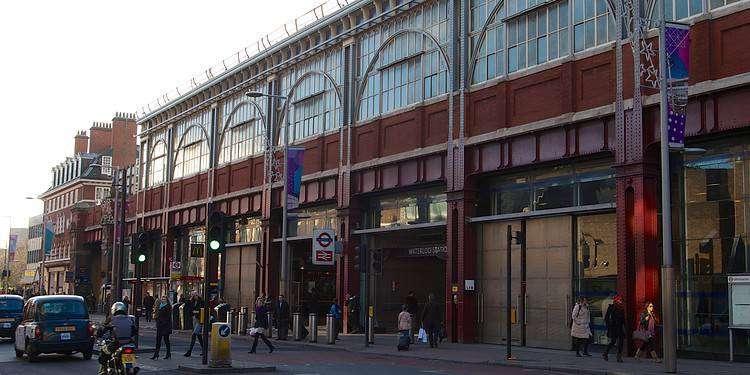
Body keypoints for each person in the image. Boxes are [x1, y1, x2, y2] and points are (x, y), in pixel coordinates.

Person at [98, 302, 137, 375]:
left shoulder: (111, 319)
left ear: (114, 309)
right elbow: (134, 331)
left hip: (117, 343)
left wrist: (98, 334)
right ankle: (129, 368)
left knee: (103, 352)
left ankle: (104, 371)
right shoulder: (130, 318)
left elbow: (103, 329)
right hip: (129, 344)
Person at [602, 294, 627, 362]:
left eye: (621, 300)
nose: (621, 301)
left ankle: (619, 356)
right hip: (613, 327)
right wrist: (608, 327)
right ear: (616, 300)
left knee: (621, 341)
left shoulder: (621, 308)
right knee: (613, 341)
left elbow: (623, 319)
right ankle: (605, 353)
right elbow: (606, 318)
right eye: (619, 300)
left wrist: (625, 327)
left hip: (619, 327)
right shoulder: (611, 308)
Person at [184, 292, 205, 357]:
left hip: (200, 319)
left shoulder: (201, 302)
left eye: (195, 295)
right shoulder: (192, 301)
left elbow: (201, 310)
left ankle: (189, 351)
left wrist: (195, 311)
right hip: (195, 318)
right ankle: (204, 349)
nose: (194, 296)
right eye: (193, 295)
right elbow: (188, 309)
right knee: (198, 335)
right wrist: (190, 300)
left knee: (194, 333)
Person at [151, 295, 172, 360]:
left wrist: (162, 322)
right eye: (162, 299)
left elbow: (168, 317)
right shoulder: (160, 306)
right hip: (160, 325)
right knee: (158, 340)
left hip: (165, 326)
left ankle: (168, 353)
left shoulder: (168, 306)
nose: (163, 300)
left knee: (166, 340)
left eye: (164, 299)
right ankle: (156, 353)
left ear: (166, 300)